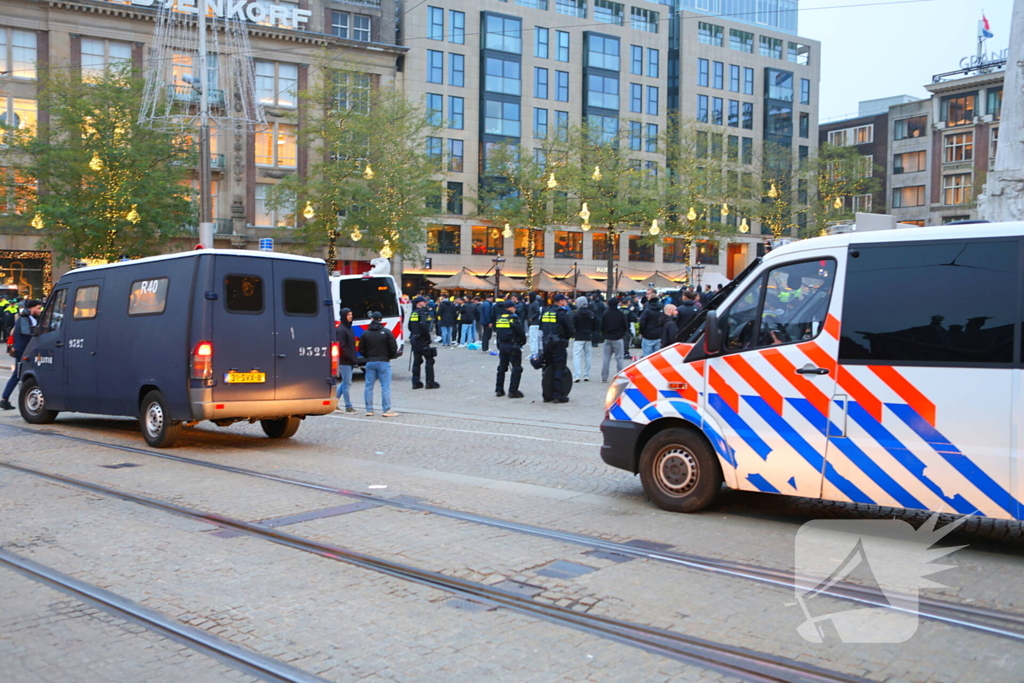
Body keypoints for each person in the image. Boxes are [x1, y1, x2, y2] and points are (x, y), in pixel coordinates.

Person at [1, 299, 43, 411]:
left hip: (27, 350)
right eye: (38, 308)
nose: (40, 310)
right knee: (17, 375)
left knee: (20, 375)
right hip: (23, 351)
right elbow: (27, 333)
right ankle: (4, 399)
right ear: (31, 308)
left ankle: (5, 399)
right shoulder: (25, 318)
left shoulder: (30, 317)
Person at [360, 311, 399, 417]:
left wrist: (368, 356)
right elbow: (393, 347)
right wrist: (389, 356)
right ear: (381, 320)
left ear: (372, 319)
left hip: (370, 361)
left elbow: (361, 349)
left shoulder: (365, 333)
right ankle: (386, 410)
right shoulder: (386, 332)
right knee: (385, 386)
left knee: (369, 386)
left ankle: (369, 409)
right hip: (384, 361)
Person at [540, 293, 575, 403]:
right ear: (560, 302)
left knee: (547, 369)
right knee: (559, 368)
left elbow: (541, 326)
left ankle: (546, 394)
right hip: (558, 344)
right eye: (564, 301)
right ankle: (558, 395)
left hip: (547, 344)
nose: (566, 302)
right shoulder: (561, 313)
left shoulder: (546, 312)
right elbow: (570, 329)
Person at [493, 298, 526, 398]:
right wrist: (522, 342)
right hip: (513, 345)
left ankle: (499, 390)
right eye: (514, 307)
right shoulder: (513, 318)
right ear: (510, 308)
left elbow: (497, 332)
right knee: (516, 368)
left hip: (502, 345)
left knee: (502, 368)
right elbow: (520, 332)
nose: (515, 309)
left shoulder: (499, 318)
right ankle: (513, 391)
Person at [408, 296, 439, 390]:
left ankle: (415, 382)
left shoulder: (414, 313)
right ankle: (430, 382)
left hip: (414, 339)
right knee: (429, 360)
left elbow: (410, 326)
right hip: (422, 339)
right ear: (418, 303)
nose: (426, 303)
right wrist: (428, 338)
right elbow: (425, 327)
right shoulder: (423, 313)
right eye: (424, 302)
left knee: (417, 361)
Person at [335, 307, 358, 413]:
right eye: (348, 314)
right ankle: (348, 406)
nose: (351, 316)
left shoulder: (348, 328)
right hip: (345, 360)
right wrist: (349, 356)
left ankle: (334, 402)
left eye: (351, 314)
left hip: (349, 360)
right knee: (347, 383)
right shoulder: (341, 329)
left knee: (345, 383)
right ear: (344, 316)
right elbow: (342, 347)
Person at [601, 297, 628, 382]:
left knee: (606, 358)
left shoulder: (605, 314)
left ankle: (604, 377)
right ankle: (620, 375)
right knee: (619, 358)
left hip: (608, 338)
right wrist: (621, 334)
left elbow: (601, 326)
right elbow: (626, 326)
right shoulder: (620, 314)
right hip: (618, 338)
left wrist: (604, 334)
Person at [571, 295, 595, 382]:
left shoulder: (576, 314)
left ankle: (577, 375)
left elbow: (572, 325)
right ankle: (586, 375)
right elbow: (595, 325)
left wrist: (574, 333)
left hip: (578, 337)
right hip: (588, 336)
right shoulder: (591, 314)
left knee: (577, 356)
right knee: (588, 356)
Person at [527, 293, 543, 358]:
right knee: (534, 339)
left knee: (533, 339)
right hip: (534, 323)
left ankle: (534, 353)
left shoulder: (534, 303)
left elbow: (537, 312)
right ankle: (534, 353)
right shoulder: (534, 303)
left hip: (534, 323)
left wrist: (532, 318)